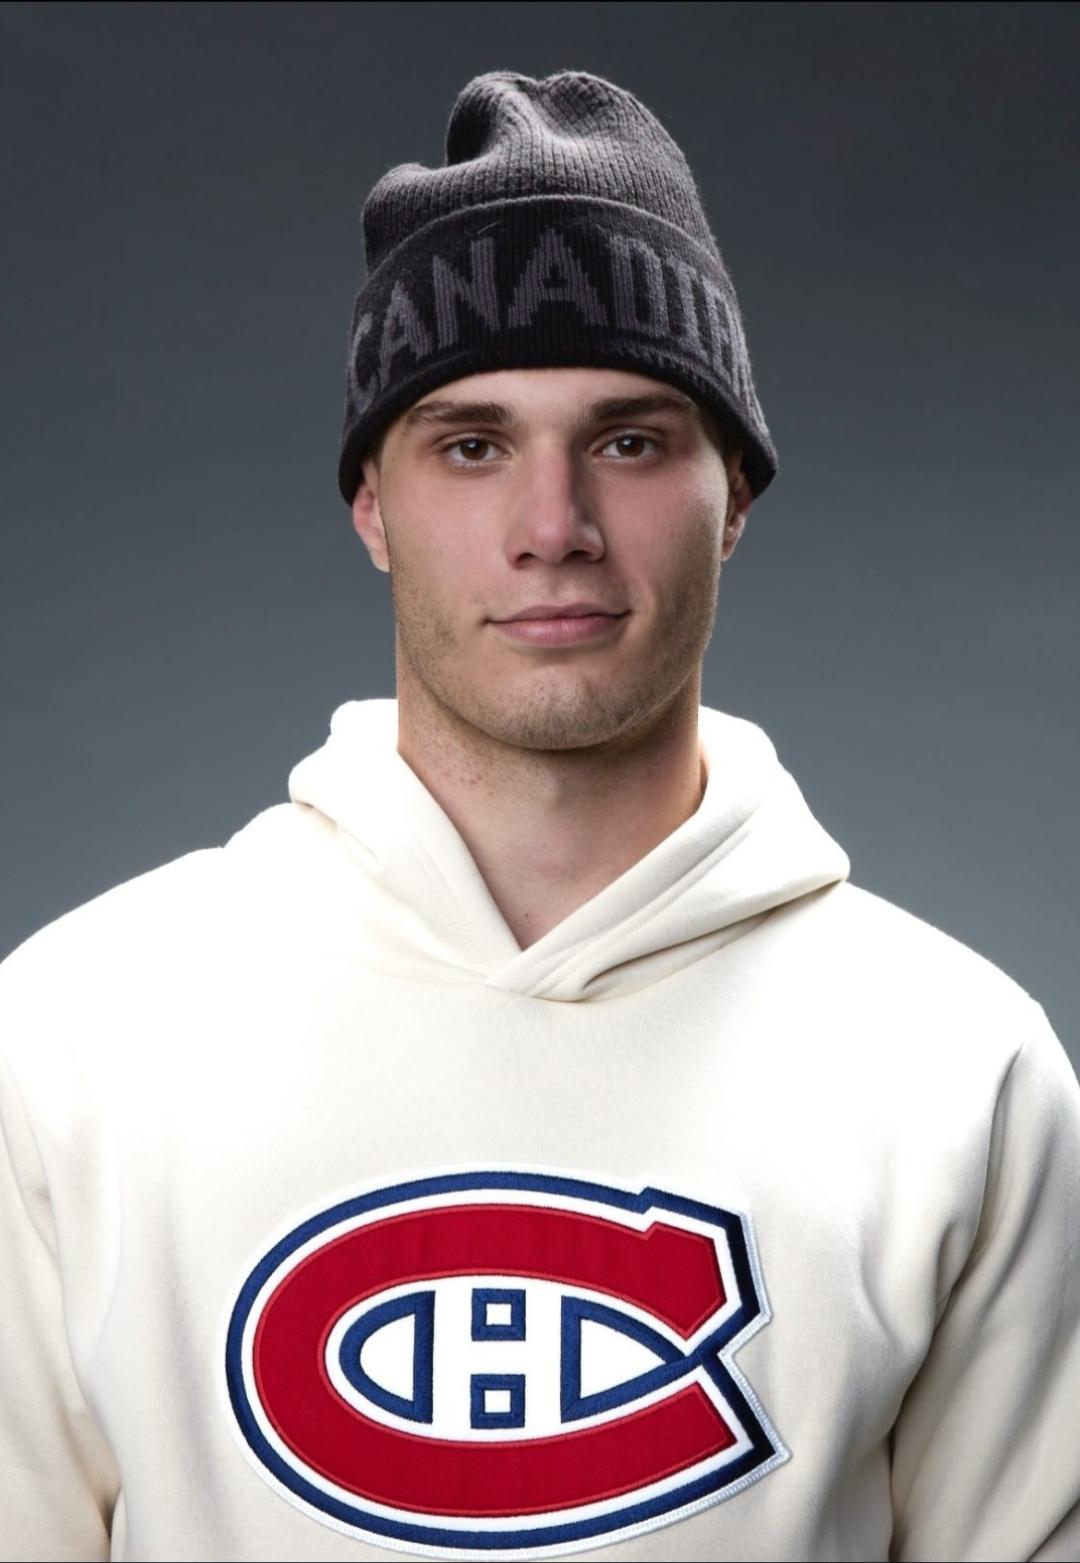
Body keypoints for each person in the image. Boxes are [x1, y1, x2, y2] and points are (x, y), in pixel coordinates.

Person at [1, 67, 1077, 1563]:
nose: (553, 528)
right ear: (371, 507)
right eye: (471, 444)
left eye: (630, 441)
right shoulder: (74, 1035)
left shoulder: (962, 1068)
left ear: (735, 496)